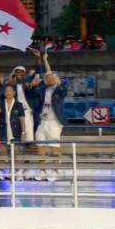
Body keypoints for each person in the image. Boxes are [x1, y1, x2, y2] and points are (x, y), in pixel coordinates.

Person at [33, 53, 66, 181]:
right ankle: (42, 171)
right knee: (40, 146)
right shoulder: (42, 90)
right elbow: (43, 73)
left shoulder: (59, 90)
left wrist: (46, 60)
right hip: (43, 121)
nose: (49, 79)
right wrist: (42, 60)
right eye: (47, 78)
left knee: (54, 148)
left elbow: (49, 72)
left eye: (52, 77)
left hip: (54, 122)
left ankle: (55, 171)